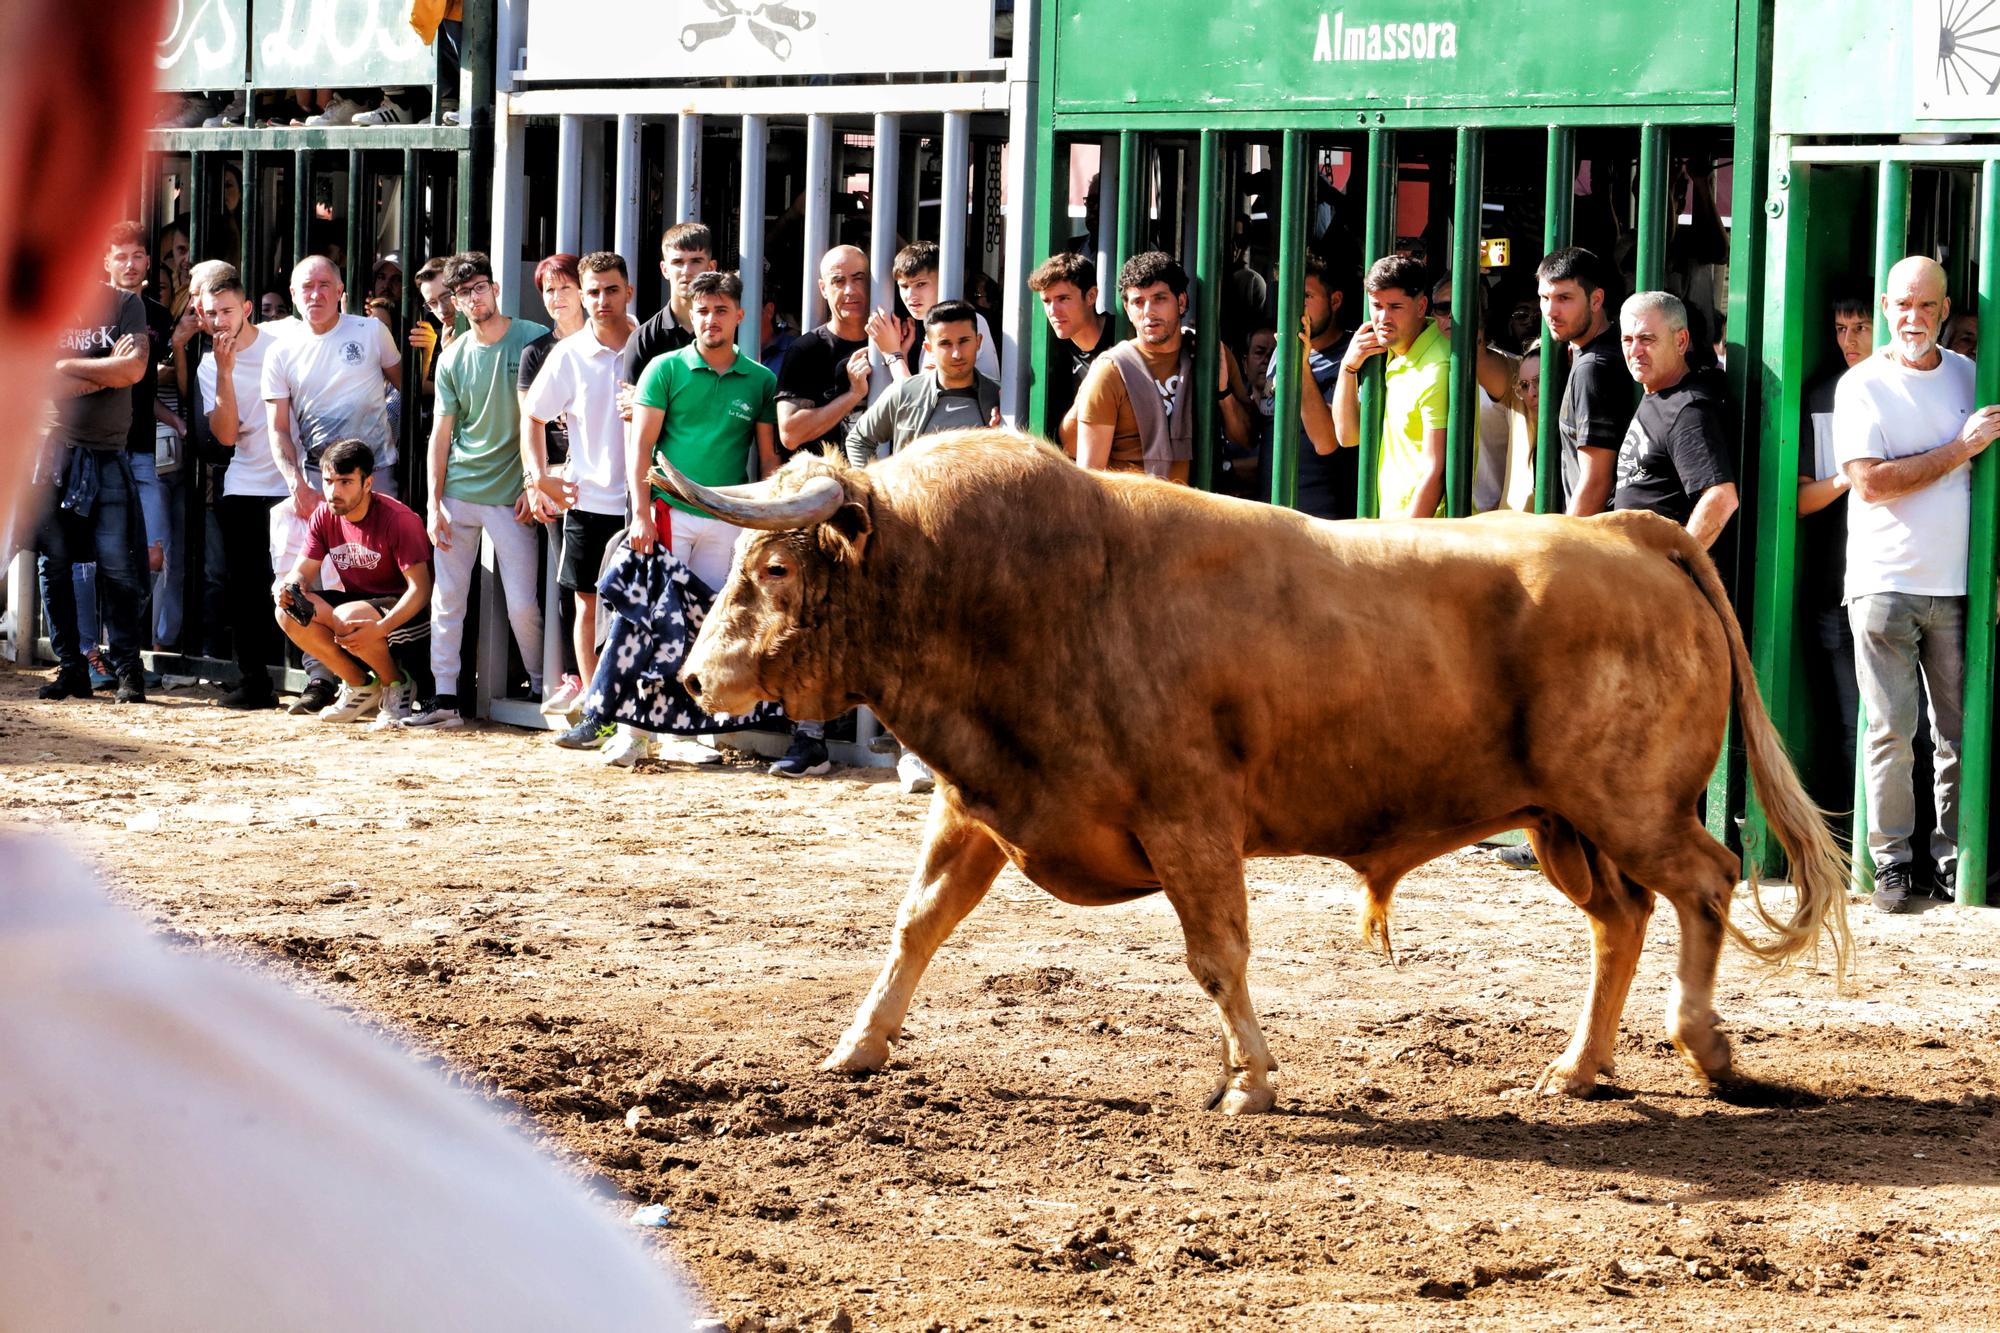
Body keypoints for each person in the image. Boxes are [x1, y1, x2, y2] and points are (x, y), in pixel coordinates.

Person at [0, 8, 695, 1326]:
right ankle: (380, 684)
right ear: (74, 153)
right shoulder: (500, 1271)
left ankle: (406, 687)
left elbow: (409, 536)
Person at [1837, 256, 2000, 912]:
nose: (1913, 317)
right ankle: (1894, 864)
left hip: (1959, 584)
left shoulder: (1969, 375)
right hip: (1884, 582)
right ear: (1885, 306)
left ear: (1946, 308)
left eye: (1926, 306)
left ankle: (1958, 860)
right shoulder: (1863, 385)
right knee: (1892, 729)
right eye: (1902, 304)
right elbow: (1870, 482)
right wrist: (1960, 449)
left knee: (1962, 732)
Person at [600, 269, 780, 766]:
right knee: (653, 620)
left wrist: (765, 518)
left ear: (740, 315)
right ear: (691, 315)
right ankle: (635, 732)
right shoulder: (664, 368)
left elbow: (767, 461)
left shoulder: (761, 379)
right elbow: (641, 452)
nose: (711, 319)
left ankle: (684, 734)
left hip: (726, 519)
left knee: (704, 626)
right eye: (702, 310)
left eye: (721, 309)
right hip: (667, 512)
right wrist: (639, 516)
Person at [842, 298, 1000, 795]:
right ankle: (913, 752)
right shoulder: (906, 391)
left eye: (964, 342)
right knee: (911, 648)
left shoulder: (998, 396)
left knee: (967, 648)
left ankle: (962, 753)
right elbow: (859, 440)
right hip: (912, 542)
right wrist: (876, 493)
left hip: (976, 548)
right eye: (945, 343)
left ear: (978, 342)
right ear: (927, 347)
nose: (955, 353)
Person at [404, 252, 549, 730]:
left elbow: (553, 417)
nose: (472, 297)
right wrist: (432, 505)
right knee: (448, 599)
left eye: (479, 287)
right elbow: (441, 435)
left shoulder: (532, 337)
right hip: (459, 493)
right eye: (462, 292)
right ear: (455, 300)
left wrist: (536, 480)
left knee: (523, 601)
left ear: (496, 288)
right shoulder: (453, 356)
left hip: (512, 494)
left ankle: (543, 685)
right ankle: (445, 698)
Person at [261, 254, 404, 714]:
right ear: (293, 292)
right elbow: (278, 428)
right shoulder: (281, 349)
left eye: (325, 284)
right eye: (306, 286)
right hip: (315, 483)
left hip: (377, 472)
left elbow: (404, 390)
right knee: (309, 588)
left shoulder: (369, 332)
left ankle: (397, 680)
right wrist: (296, 484)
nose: (316, 294)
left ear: (341, 289)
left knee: (382, 577)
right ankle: (335, 680)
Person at [523, 251, 640, 748]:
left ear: (629, 291)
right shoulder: (567, 354)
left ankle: (647, 718)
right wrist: (537, 479)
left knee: (645, 610)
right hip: (588, 501)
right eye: (592, 292)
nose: (600, 300)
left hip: (647, 503)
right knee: (587, 607)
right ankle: (598, 711)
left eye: (610, 289)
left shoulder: (650, 343)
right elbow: (532, 417)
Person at [769, 244, 879, 778]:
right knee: (812, 618)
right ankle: (809, 737)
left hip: (890, 505)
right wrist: (851, 398)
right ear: (823, 288)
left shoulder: (897, 340)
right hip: (822, 507)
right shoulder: (808, 350)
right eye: (838, 280)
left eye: (858, 278)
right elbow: (792, 433)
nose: (850, 290)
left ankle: (899, 743)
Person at [35, 245, 152, 702]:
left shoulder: (126, 304)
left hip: (106, 453)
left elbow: (135, 368)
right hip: (53, 454)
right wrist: (105, 371)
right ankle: (72, 669)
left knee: (119, 567)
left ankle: (128, 670)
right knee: (55, 566)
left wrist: (66, 367)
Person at [272, 438, 432, 725]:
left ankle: (398, 685)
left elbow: (421, 590)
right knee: (288, 612)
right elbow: (302, 572)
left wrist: (382, 627)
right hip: (358, 610)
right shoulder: (324, 514)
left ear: (368, 483)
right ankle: (360, 686)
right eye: (329, 481)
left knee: (347, 616)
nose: (334, 491)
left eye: (345, 482)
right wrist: (290, 589)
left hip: (407, 618)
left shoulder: (398, 519)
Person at [1074, 251, 1251, 485]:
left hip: (1202, 511)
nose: (1149, 312)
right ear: (1127, 309)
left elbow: (1247, 440)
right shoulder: (1110, 372)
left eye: (1159, 298)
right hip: (1134, 514)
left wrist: (1223, 393)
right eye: (1138, 302)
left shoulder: (1212, 355)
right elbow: (1090, 477)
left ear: (1181, 301)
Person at [198, 268, 292, 709]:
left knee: (296, 582)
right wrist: (224, 372)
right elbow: (226, 435)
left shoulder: (283, 344)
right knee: (245, 587)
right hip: (243, 481)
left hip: (292, 481)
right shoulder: (207, 364)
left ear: (247, 309)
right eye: (212, 313)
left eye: (227, 310)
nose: (220, 320)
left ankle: (313, 677)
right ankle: (254, 680)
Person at [1799, 292, 1873, 780]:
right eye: (1841, 328)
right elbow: (1801, 501)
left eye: (1860, 327)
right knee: (1854, 728)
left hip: (1902, 583)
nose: (1849, 339)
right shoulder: (1824, 396)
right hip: (1835, 585)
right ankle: (1864, 855)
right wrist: (1854, 474)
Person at [516, 252, 587, 717]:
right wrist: (534, 481)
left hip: (608, 477)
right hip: (559, 481)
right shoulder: (536, 352)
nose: (556, 298)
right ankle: (572, 680)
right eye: (548, 290)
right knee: (567, 582)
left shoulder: (619, 340)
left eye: (564, 287)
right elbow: (530, 420)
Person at [1610, 291, 1738, 547]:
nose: (1634, 350)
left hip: (1664, 582)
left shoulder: (1688, 409)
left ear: (1681, 342)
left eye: (1646, 339)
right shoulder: (1659, 395)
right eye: (1627, 339)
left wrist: (1679, 565)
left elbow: (1721, 498)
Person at [1329, 254, 1450, 517]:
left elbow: (1436, 470)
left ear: (1421, 307)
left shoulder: (1437, 367)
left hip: (1422, 533)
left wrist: (1404, 541)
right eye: (1376, 305)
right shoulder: (1386, 354)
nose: (1383, 317)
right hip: (1391, 525)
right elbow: (1347, 435)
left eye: (1395, 307)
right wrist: (1347, 368)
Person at [1537, 246, 1631, 517]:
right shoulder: (1595, 351)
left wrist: (1565, 550)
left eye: (1564, 298)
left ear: (1596, 300)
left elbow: (1596, 482)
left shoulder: (1592, 368)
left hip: (1590, 539)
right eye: (1544, 298)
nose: (1551, 311)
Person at [867, 241, 1002, 383]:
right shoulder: (931, 323)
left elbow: (918, 399)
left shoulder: (961, 321)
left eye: (920, 284)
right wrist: (903, 353)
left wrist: (893, 354)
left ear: (943, 280)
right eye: (904, 286)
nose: (910, 296)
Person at [1292, 255, 1357, 519]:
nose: (1298, 305)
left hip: (1322, 524)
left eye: (1307, 295)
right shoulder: (1280, 351)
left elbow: (1326, 442)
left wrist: (1300, 364)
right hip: (1272, 518)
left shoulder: (1351, 357)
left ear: (1335, 300)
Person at [1028, 251, 1108, 454]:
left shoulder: (1124, 335)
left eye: (1063, 298)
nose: (1053, 310)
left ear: (1091, 296)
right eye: (1047, 301)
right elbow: (1069, 446)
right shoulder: (1050, 355)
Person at [628, 221, 718, 381]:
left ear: (711, 267)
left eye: (696, 261)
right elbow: (633, 403)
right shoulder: (644, 339)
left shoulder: (730, 329)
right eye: (678, 262)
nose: (686, 271)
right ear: (664, 269)